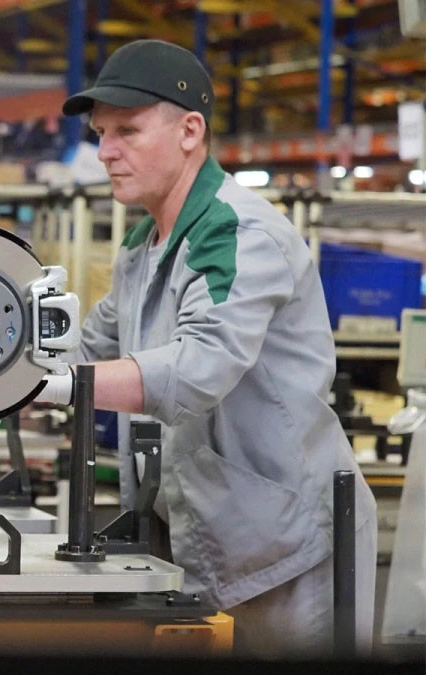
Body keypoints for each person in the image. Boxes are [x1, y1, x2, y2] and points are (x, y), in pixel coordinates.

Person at [38, 39, 377, 657]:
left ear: (190, 131)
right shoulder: (144, 246)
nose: (105, 151)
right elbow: (87, 349)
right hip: (206, 536)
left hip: (286, 548)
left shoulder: (236, 232)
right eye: (101, 133)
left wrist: (53, 386)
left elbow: (199, 368)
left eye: (127, 131)